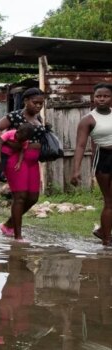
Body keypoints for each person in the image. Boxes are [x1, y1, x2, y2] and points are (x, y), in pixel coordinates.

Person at [0, 87, 46, 240]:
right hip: (17, 160)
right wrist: (12, 145)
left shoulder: (38, 119)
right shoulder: (14, 116)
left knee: (33, 198)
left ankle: (8, 225)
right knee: (19, 197)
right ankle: (17, 237)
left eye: (41, 104)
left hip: (33, 162)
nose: (38, 106)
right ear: (26, 101)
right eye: (35, 103)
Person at [71, 82, 112, 246]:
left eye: (106, 96)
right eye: (98, 96)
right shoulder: (88, 120)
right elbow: (80, 146)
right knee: (109, 201)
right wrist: (76, 170)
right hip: (103, 158)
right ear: (93, 98)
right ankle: (107, 240)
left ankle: (103, 230)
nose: (102, 99)